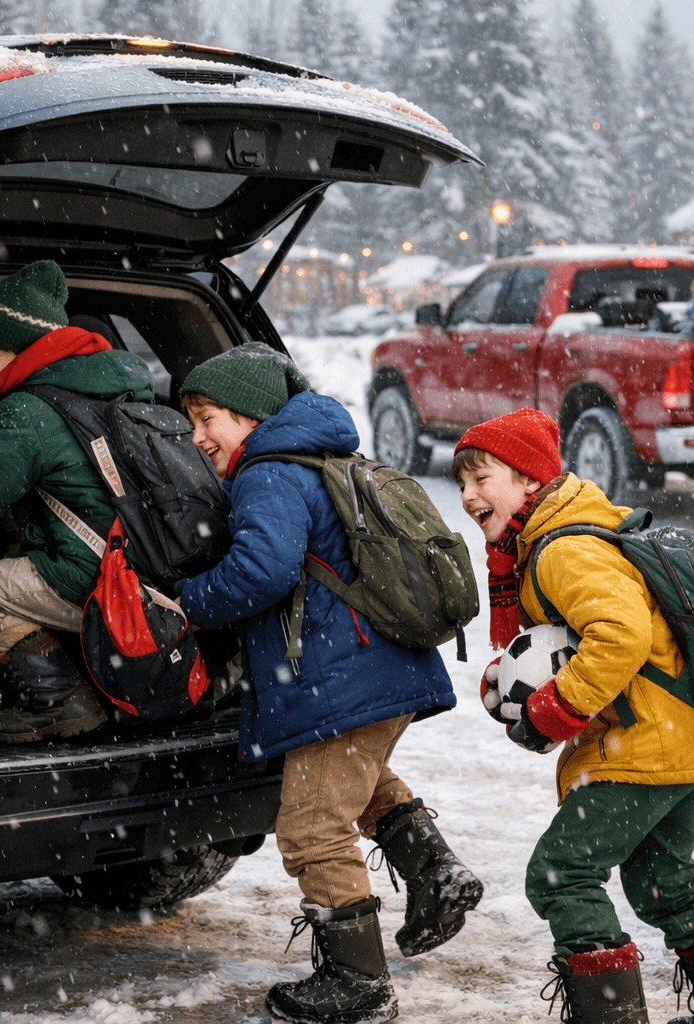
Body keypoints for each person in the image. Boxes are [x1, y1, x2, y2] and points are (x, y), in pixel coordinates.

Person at [175, 343, 479, 1024]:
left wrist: (185, 601)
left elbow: (261, 572)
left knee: (313, 825)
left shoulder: (268, 473)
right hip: (381, 665)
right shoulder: (325, 455)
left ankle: (356, 982)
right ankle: (436, 873)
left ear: (250, 417)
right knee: (356, 780)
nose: (197, 437)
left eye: (207, 418)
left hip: (337, 679)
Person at [453, 408, 694, 1024]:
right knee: (665, 880)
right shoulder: (564, 534)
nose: (469, 495)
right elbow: (572, 639)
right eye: (463, 483)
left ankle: (611, 1018)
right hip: (682, 739)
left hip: (645, 746)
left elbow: (620, 637)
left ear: (528, 480)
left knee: (560, 874)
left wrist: (553, 707)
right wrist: (514, 680)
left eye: (482, 478)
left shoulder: (563, 550)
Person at [0, 260, 155, 743]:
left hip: (93, 575)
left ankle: (60, 700)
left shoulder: (30, 408)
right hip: (148, 569)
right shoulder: (121, 386)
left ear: (12, 347)